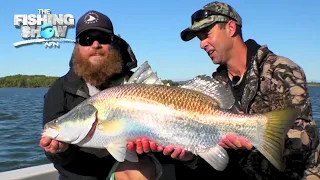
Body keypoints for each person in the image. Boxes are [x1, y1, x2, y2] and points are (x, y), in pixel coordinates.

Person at [129, 1, 320, 179]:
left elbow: (302, 142)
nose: (202, 44)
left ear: (230, 27)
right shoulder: (215, 85)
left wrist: (251, 146)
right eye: (199, 38)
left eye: (206, 34)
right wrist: (188, 155)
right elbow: (215, 158)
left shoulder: (281, 69)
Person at [39, 10, 161, 180]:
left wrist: (150, 146)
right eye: (86, 40)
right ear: (77, 47)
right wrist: (61, 151)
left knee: (141, 168)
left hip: (128, 168)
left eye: (103, 39)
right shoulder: (59, 90)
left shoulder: (135, 84)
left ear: (114, 43)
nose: (95, 45)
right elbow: (57, 157)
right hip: (80, 176)